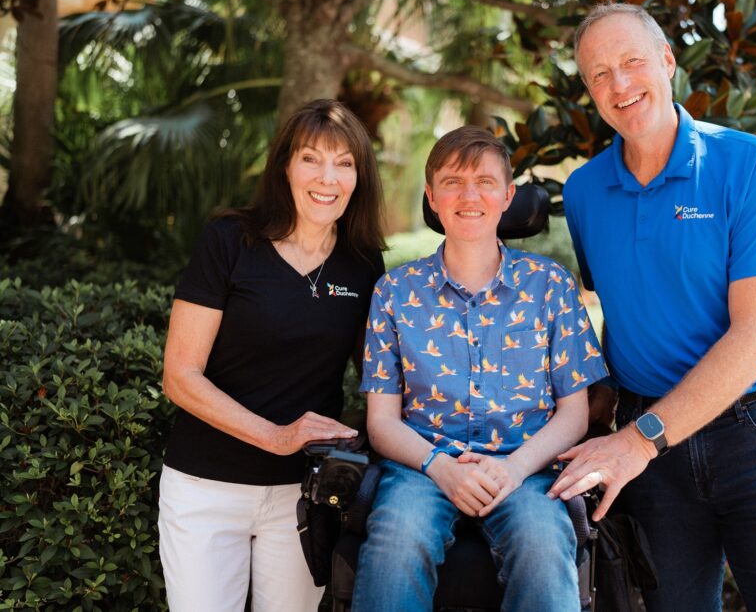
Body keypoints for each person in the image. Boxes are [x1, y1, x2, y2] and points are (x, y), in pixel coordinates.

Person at [548, 3, 756, 611]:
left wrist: (638, 440)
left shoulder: (751, 165)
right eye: (599, 74)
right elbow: (621, 308)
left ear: (668, 62)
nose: (619, 84)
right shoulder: (582, 192)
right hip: (652, 458)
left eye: (631, 62)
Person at [351, 126, 608, 612]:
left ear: (509, 195)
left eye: (485, 182)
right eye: (452, 182)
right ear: (431, 196)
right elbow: (381, 422)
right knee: (396, 543)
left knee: (542, 545)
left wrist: (513, 469)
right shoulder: (394, 292)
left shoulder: (550, 287)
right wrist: (440, 468)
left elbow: (574, 414)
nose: (469, 196)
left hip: (526, 466)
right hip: (421, 466)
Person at [159, 99, 386, 611]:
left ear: (359, 178)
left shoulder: (363, 262)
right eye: (311, 158)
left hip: (304, 496)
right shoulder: (230, 240)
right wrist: (276, 437)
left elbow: (378, 380)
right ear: (285, 165)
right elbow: (180, 375)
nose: (327, 177)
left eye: (344, 163)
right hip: (205, 487)